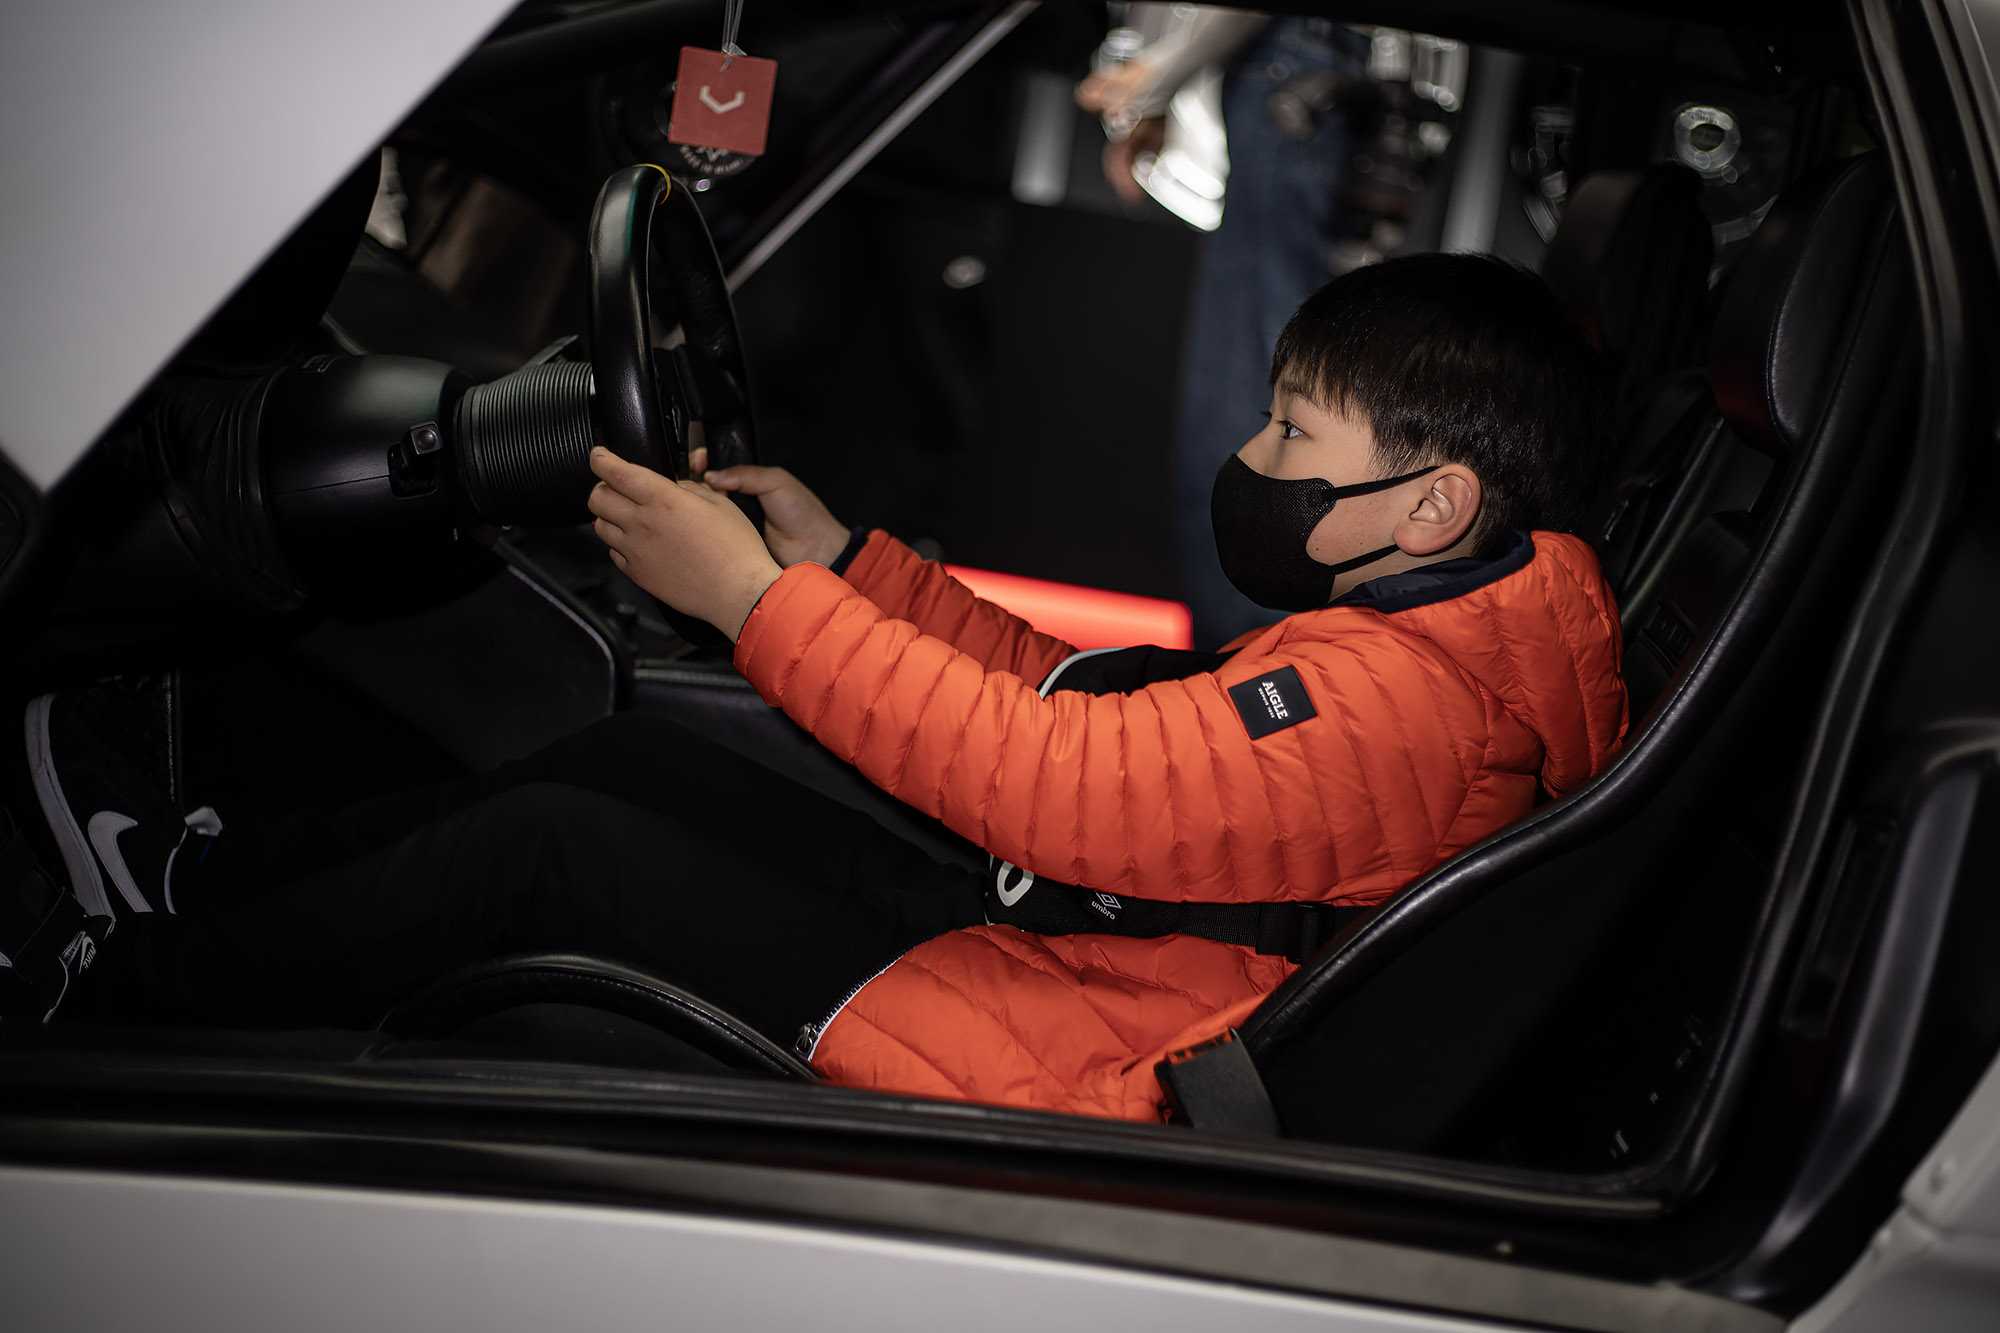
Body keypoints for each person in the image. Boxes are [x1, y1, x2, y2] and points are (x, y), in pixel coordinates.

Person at [30, 253, 1627, 1123]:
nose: (1253, 456)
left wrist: (752, 597)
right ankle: (202, 886)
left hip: (1061, 1060)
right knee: (635, 773)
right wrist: (851, 568)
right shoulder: (1422, 653)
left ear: (1435, 503)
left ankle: (100, 997)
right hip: (1070, 958)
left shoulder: (1408, 707)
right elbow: (1106, 713)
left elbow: (1057, 786)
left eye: (1293, 435)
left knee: (553, 852)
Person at [1077, 10, 1373, 649]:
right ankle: (1246, 659)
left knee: (1242, 423)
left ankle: (1245, 665)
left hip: (1284, 70)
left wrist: (1155, 78)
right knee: (1257, 415)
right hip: (1286, 72)